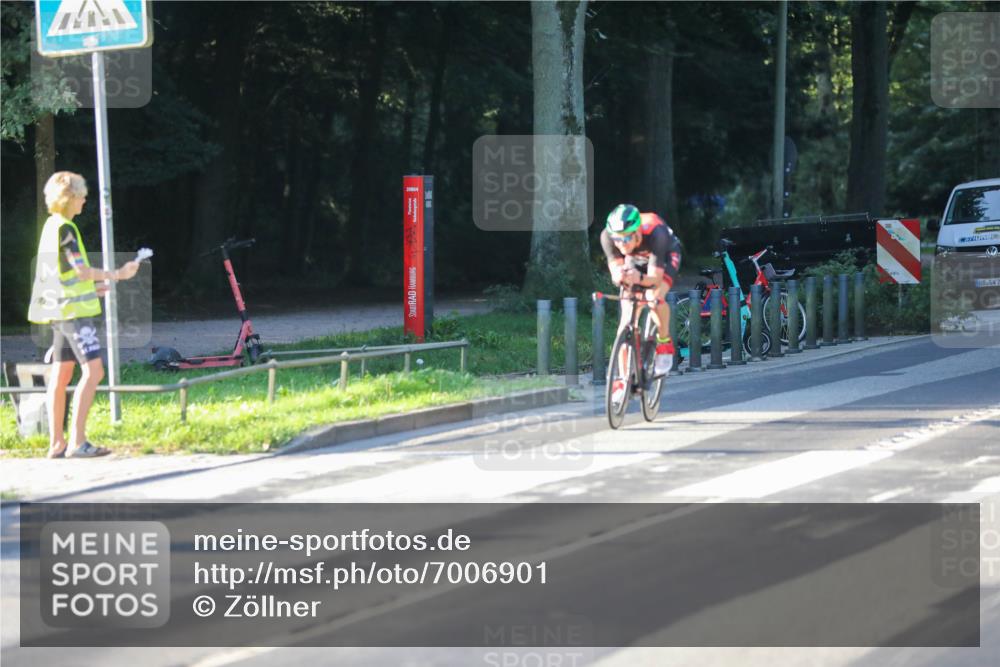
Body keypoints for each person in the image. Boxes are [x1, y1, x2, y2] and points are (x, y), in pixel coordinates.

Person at [27, 171, 140, 458]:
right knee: (94, 371)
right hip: (74, 315)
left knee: (61, 374)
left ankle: (56, 443)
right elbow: (80, 270)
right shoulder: (66, 229)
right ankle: (78, 442)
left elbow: (64, 275)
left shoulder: (51, 227)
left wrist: (93, 288)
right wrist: (118, 274)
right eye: (81, 194)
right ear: (68, 198)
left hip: (60, 310)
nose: (85, 198)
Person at [600, 203, 682, 397]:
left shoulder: (656, 234)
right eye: (617, 240)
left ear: (637, 231)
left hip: (665, 255)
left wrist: (640, 280)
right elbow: (615, 273)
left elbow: (654, 279)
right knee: (626, 319)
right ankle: (623, 379)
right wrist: (622, 277)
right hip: (636, 261)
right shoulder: (607, 236)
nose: (621, 244)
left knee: (653, 298)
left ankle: (664, 343)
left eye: (626, 238)